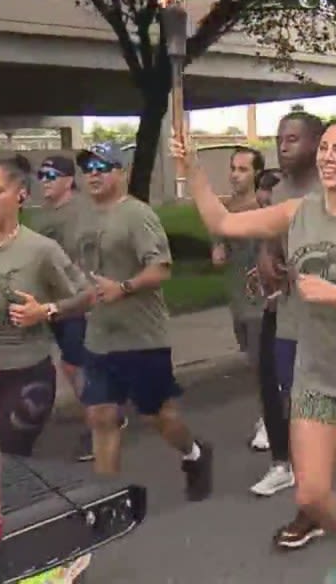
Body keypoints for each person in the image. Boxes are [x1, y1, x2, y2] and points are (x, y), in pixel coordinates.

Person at [172, 118, 336, 584]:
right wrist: (192, 170)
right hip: (317, 370)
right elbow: (223, 222)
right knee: (309, 494)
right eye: (324, 148)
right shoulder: (299, 210)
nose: (328, 157)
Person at [73, 142, 213, 500]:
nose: (93, 174)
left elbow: (161, 268)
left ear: (121, 173)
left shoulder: (137, 215)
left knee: (158, 417)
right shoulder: (86, 217)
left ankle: (194, 453)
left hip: (142, 338)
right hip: (100, 337)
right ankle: (106, 499)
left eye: (102, 167)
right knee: (101, 417)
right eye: (88, 168)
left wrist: (124, 287)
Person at [0, 157, 90, 455]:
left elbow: (86, 296)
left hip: (27, 375)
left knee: (8, 455)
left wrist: (46, 311)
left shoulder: (41, 250)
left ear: (20, 195)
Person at [260, 111, 328, 549]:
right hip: (290, 321)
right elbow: (270, 238)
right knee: (299, 417)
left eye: (292, 139)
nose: (283, 147)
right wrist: (266, 256)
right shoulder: (279, 193)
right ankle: (310, 509)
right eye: (279, 139)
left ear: (316, 143)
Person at [211, 147, 293, 495]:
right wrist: (218, 248)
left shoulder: (268, 209)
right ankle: (278, 419)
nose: (235, 174)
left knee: (266, 367)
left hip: (266, 301)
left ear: (256, 174)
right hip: (239, 301)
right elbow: (218, 252)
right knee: (254, 363)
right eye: (233, 168)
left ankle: (272, 424)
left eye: (243, 169)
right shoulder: (224, 211)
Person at [32, 155, 120, 463]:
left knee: (77, 364)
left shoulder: (83, 211)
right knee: (72, 365)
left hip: (81, 300)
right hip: (53, 302)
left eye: (51, 175)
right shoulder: (43, 216)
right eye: (41, 175)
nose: (44, 180)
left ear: (69, 180)